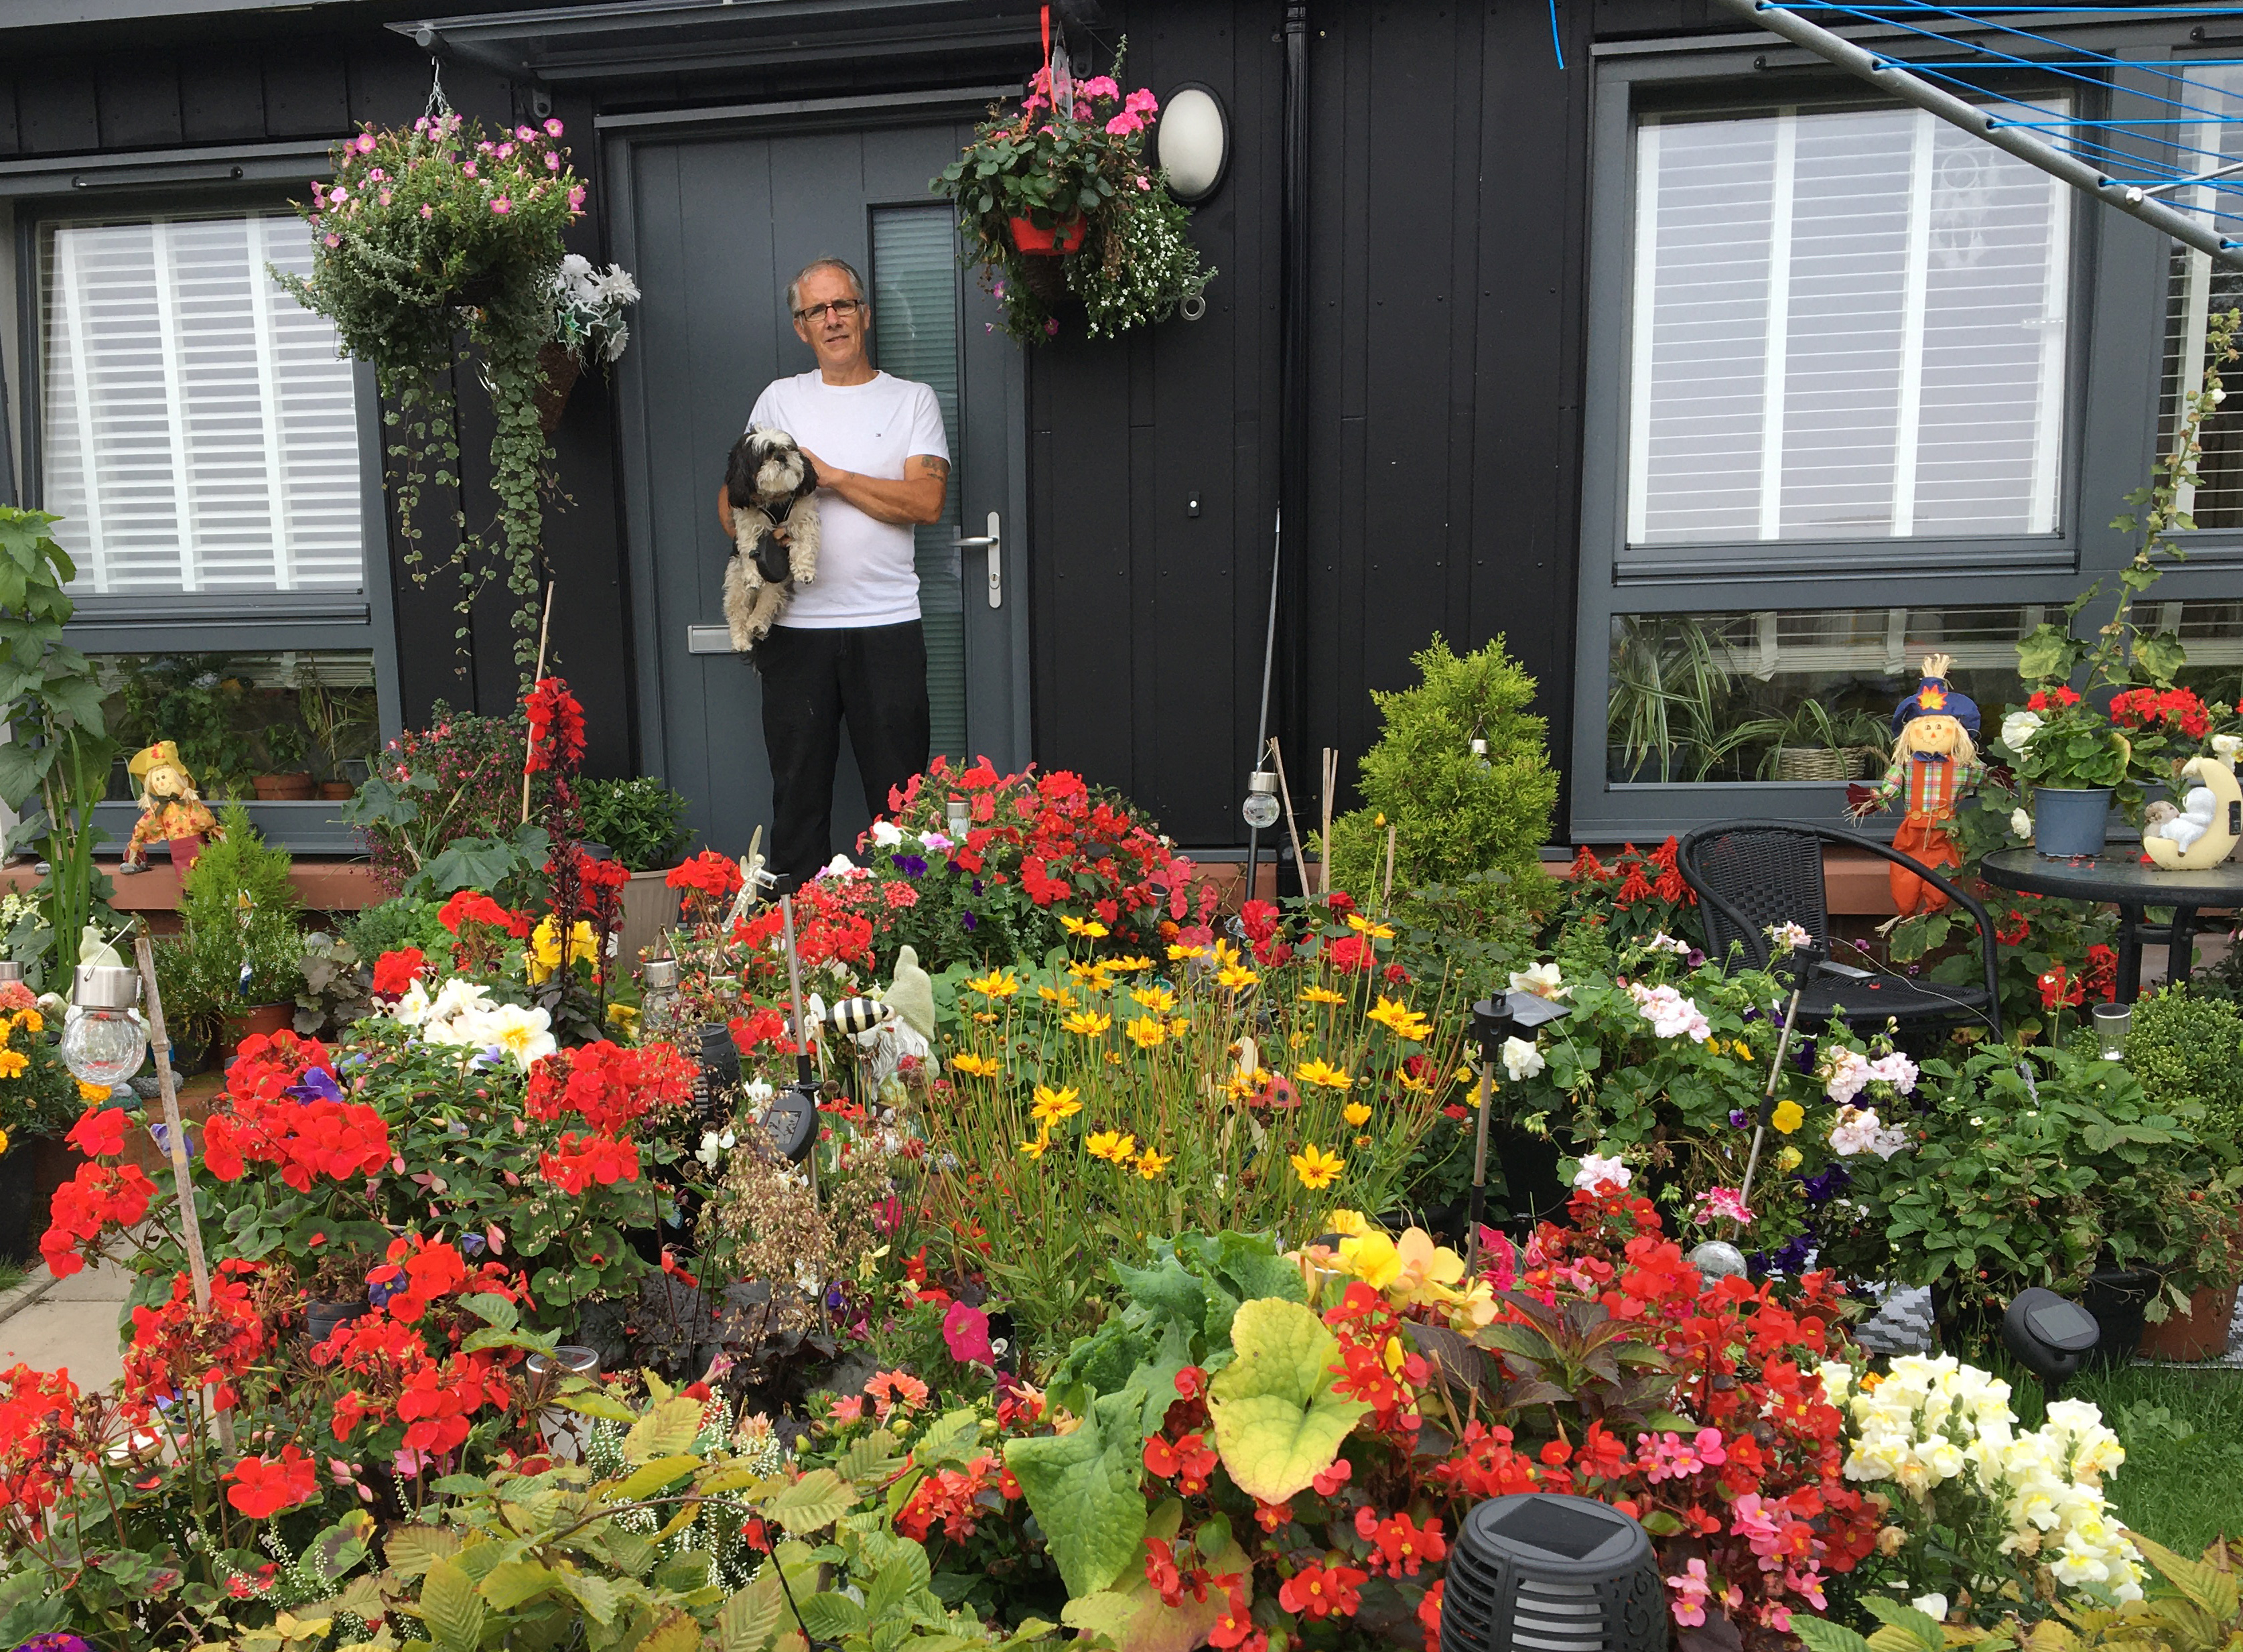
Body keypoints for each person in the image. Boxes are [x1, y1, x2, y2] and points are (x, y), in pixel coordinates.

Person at [720, 257, 949, 884]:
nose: (832, 319)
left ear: (864, 314)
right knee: (797, 805)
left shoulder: (912, 401)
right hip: (797, 633)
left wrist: (833, 476)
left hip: (888, 627)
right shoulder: (780, 399)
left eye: (843, 305)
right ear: (801, 328)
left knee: (903, 806)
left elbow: (925, 502)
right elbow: (731, 499)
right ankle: (799, 957)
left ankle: (911, 943)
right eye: (817, 310)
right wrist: (766, 527)